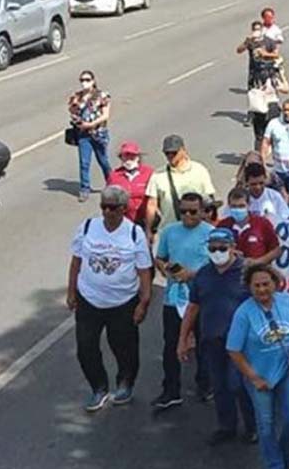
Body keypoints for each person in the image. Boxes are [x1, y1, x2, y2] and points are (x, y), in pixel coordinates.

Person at [227, 264, 289, 469]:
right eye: (257, 285)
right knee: (266, 428)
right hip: (260, 378)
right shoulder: (244, 313)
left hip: (287, 371)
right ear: (249, 288)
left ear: (275, 283)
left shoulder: (288, 302)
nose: (262, 289)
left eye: (266, 283)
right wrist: (253, 377)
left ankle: (288, 459)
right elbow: (233, 350)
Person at [67, 186, 152, 412]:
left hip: (123, 304)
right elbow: (76, 261)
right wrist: (71, 292)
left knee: (124, 348)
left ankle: (125, 383)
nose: (107, 212)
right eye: (104, 207)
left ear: (124, 209)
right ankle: (99, 387)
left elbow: (144, 272)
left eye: (113, 208)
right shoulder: (87, 227)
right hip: (89, 300)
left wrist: (143, 303)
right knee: (85, 348)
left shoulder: (134, 233)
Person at [177, 228, 257, 445]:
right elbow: (192, 308)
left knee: (238, 384)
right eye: (212, 248)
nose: (217, 252)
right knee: (220, 386)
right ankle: (226, 426)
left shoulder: (247, 273)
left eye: (222, 248)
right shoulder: (203, 275)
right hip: (211, 340)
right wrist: (183, 339)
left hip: (241, 344)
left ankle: (252, 426)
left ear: (233, 248)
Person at [153, 192, 213, 410]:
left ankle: (205, 384)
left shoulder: (211, 234)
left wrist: (193, 275)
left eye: (193, 211)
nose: (188, 215)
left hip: (201, 300)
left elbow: (217, 267)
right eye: (184, 211)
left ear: (202, 212)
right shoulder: (169, 232)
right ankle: (171, 390)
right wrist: (165, 269)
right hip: (174, 298)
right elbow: (160, 258)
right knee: (171, 345)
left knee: (204, 344)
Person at [145, 135, 216, 238]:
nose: (170, 156)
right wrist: (148, 231)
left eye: (174, 153)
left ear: (183, 150)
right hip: (168, 232)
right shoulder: (158, 175)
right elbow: (152, 204)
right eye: (167, 153)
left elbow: (209, 200)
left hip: (196, 231)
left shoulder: (199, 170)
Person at [69, 71, 112, 203]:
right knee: (84, 163)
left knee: (103, 161)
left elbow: (105, 115)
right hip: (83, 135)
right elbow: (72, 112)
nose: (84, 83)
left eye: (87, 80)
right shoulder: (76, 97)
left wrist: (91, 124)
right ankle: (84, 189)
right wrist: (78, 121)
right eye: (82, 80)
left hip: (98, 133)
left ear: (93, 81)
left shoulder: (102, 96)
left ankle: (111, 183)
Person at [237, 20, 281, 151]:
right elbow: (238, 50)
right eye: (254, 29)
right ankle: (253, 116)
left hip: (268, 74)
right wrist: (246, 42)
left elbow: (277, 54)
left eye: (258, 28)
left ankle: (271, 138)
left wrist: (265, 54)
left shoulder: (268, 41)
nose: (256, 31)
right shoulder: (250, 41)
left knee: (269, 104)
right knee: (254, 99)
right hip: (254, 75)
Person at [216, 187, 281, 265]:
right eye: (234, 206)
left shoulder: (262, 223)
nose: (237, 209)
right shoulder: (222, 226)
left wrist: (258, 261)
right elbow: (213, 249)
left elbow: (276, 250)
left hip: (257, 271)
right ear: (229, 206)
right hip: (230, 272)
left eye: (241, 206)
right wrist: (228, 254)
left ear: (249, 205)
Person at [106, 141, 153, 226]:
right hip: (123, 222)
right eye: (125, 156)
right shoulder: (114, 176)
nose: (128, 160)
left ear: (138, 157)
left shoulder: (149, 173)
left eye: (132, 156)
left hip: (145, 220)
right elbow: (108, 200)